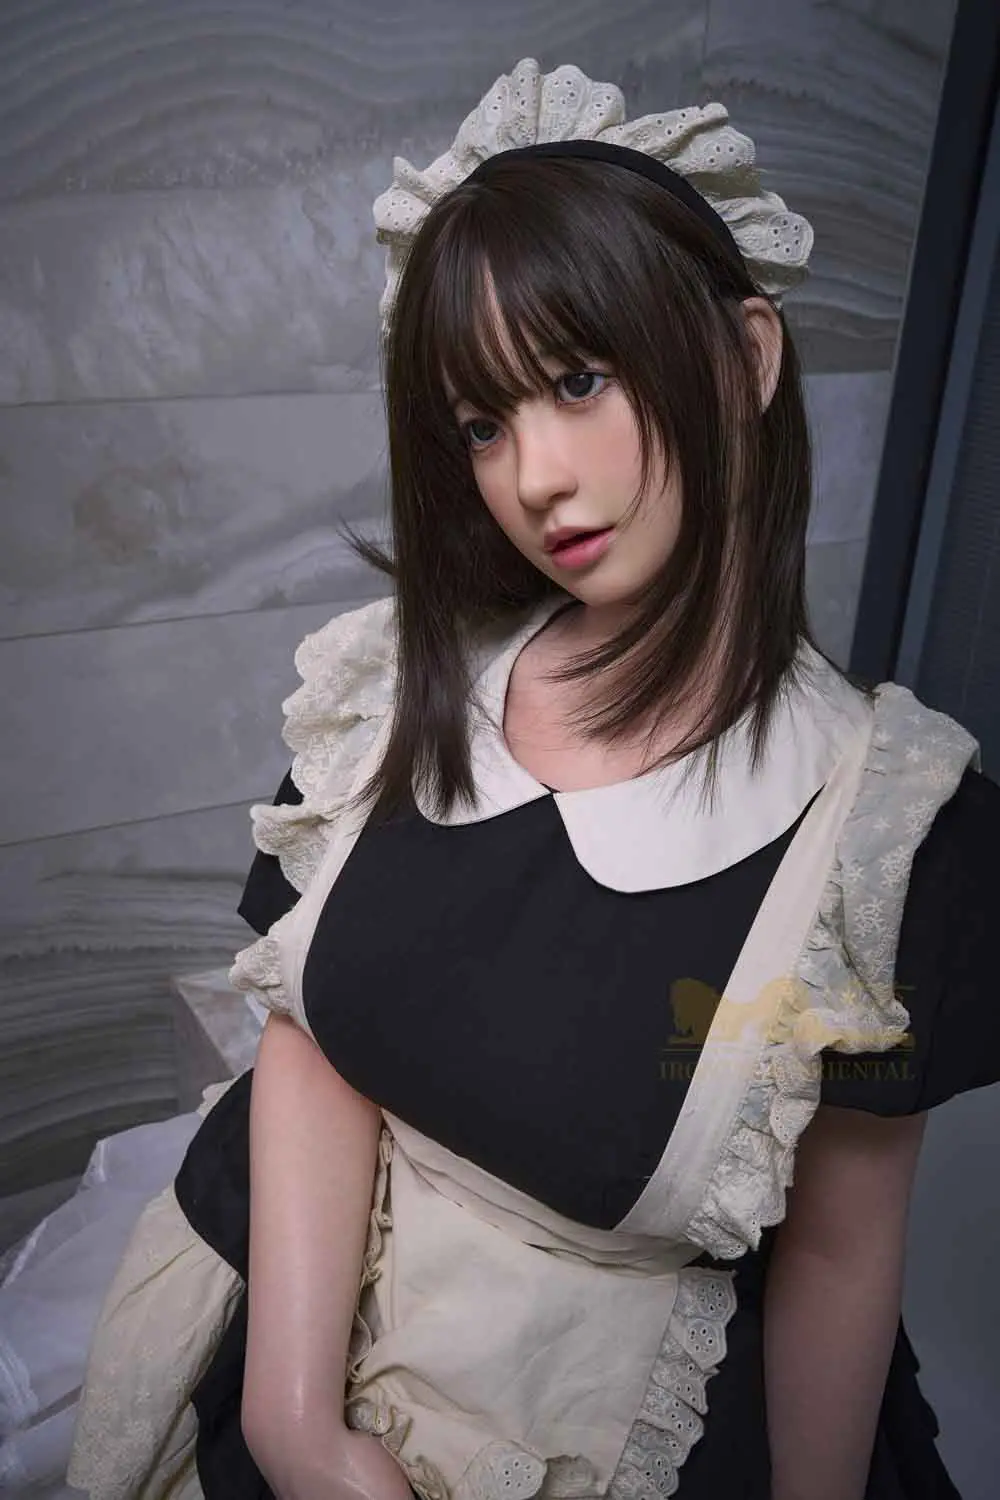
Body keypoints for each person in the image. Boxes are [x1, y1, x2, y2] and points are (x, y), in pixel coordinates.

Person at [2, 56, 998, 1500]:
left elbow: (839, 1256)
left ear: (746, 360)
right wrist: (294, 1418)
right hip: (277, 1330)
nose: (531, 477)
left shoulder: (896, 841)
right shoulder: (391, 687)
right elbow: (314, 1025)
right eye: (482, 423)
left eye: (579, 381)